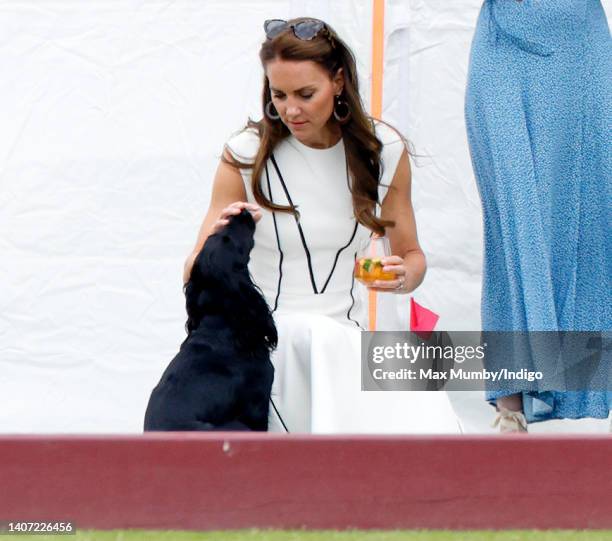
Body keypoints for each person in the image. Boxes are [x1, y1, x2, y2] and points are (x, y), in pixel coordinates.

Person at [184, 17, 461, 434]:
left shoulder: (384, 149)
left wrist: (402, 275)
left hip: (344, 344)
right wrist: (211, 248)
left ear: (337, 81)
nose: (290, 109)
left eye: (305, 94)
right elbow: (191, 275)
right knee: (316, 337)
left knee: (426, 381)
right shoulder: (244, 153)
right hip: (265, 344)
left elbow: (413, 257)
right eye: (278, 95)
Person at [465, 0, 611, 432]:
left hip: (579, 49)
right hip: (503, 46)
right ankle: (511, 402)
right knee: (516, 216)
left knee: (590, 213)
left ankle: (584, 382)